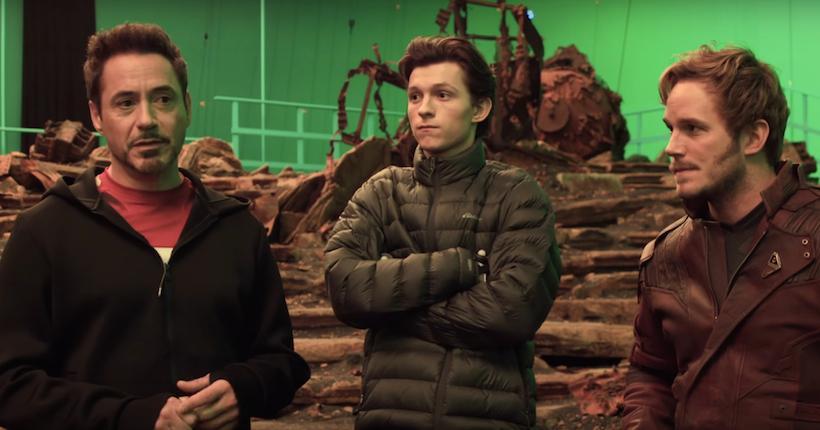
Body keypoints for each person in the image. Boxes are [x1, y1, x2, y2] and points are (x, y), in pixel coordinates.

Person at [0, 23, 309, 430]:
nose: (146, 119)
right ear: (96, 115)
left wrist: (244, 387)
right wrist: (133, 417)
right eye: (125, 103)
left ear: (187, 106)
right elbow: (10, 386)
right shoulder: (44, 232)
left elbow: (282, 363)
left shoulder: (237, 231)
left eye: (163, 99)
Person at [325, 35, 561, 430]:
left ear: (479, 108)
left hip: (485, 420)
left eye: (443, 95)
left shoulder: (517, 194)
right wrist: (458, 268)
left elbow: (510, 313)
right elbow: (345, 286)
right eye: (415, 96)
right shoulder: (381, 192)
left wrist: (391, 305)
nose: (424, 109)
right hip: (389, 417)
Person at [622, 46, 820, 429]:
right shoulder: (665, 255)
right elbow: (651, 373)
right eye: (671, 128)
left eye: (693, 129)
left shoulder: (814, 235)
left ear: (753, 137)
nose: (671, 147)